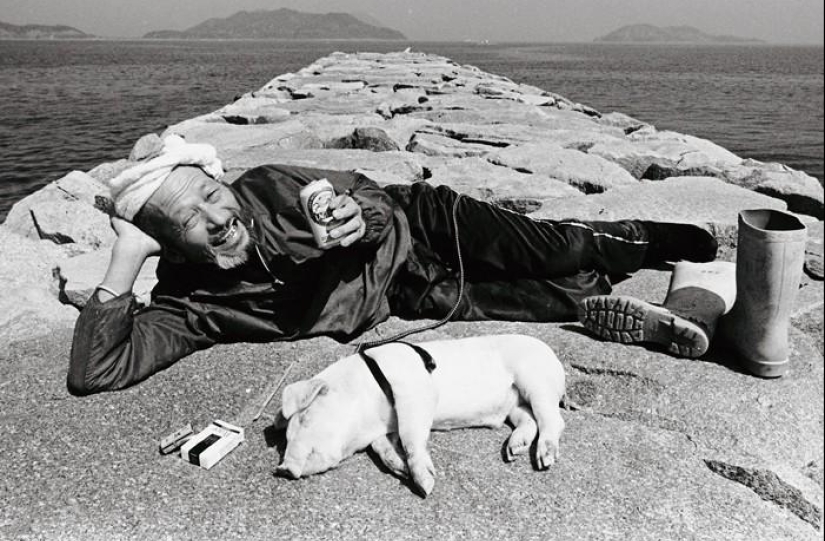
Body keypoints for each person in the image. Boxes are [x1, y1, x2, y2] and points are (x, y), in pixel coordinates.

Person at [67, 135, 718, 395]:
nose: (218, 215)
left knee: (558, 249)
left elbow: (364, 190)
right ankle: (617, 306)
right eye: (190, 220)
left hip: (424, 221)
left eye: (212, 193)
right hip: (412, 292)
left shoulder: (266, 185)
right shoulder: (191, 309)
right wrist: (124, 260)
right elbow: (97, 371)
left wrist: (357, 214)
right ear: (169, 247)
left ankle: (633, 239)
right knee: (551, 302)